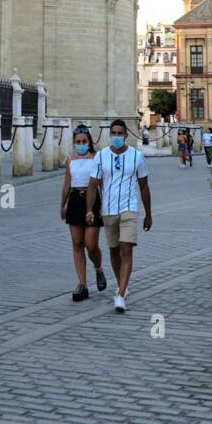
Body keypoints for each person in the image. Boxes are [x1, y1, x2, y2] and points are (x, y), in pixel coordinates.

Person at [85, 118, 152, 313]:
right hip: (108, 209)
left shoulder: (137, 157)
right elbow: (93, 184)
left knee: (126, 249)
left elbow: (144, 186)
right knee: (114, 251)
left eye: (119, 133)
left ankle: (120, 295)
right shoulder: (101, 157)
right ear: (109, 135)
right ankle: (122, 282)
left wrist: (148, 214)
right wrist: (89, 209)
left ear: (126, 135)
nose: (116, 137)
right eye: (113, 133)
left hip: (129, 208)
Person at [59, 123, 105, 302]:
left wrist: (102, 206)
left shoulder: (95, 158)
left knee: (90, 244)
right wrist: (62, 205)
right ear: (74, 142)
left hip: (92, 200)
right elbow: (66, 184)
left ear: (89, 142)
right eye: (78, 141)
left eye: (84, 141)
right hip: (75, 200)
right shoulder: (69, 160)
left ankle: (98, 268)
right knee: (77, 243)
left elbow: (101, 184)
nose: (81, 144)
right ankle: (82, 284)